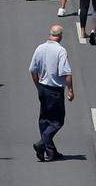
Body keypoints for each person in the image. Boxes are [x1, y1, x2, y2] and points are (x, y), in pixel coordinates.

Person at [29, 24, 74, 161]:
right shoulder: (60, 51)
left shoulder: (40, 48)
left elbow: (33, 70)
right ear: (60, 36)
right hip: (55, 90)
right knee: (57, 121)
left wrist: (38, 86)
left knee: (44, 120)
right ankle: (42, 144)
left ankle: (51, 152)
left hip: (43, 88)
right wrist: (71, 90)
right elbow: (66, 72)